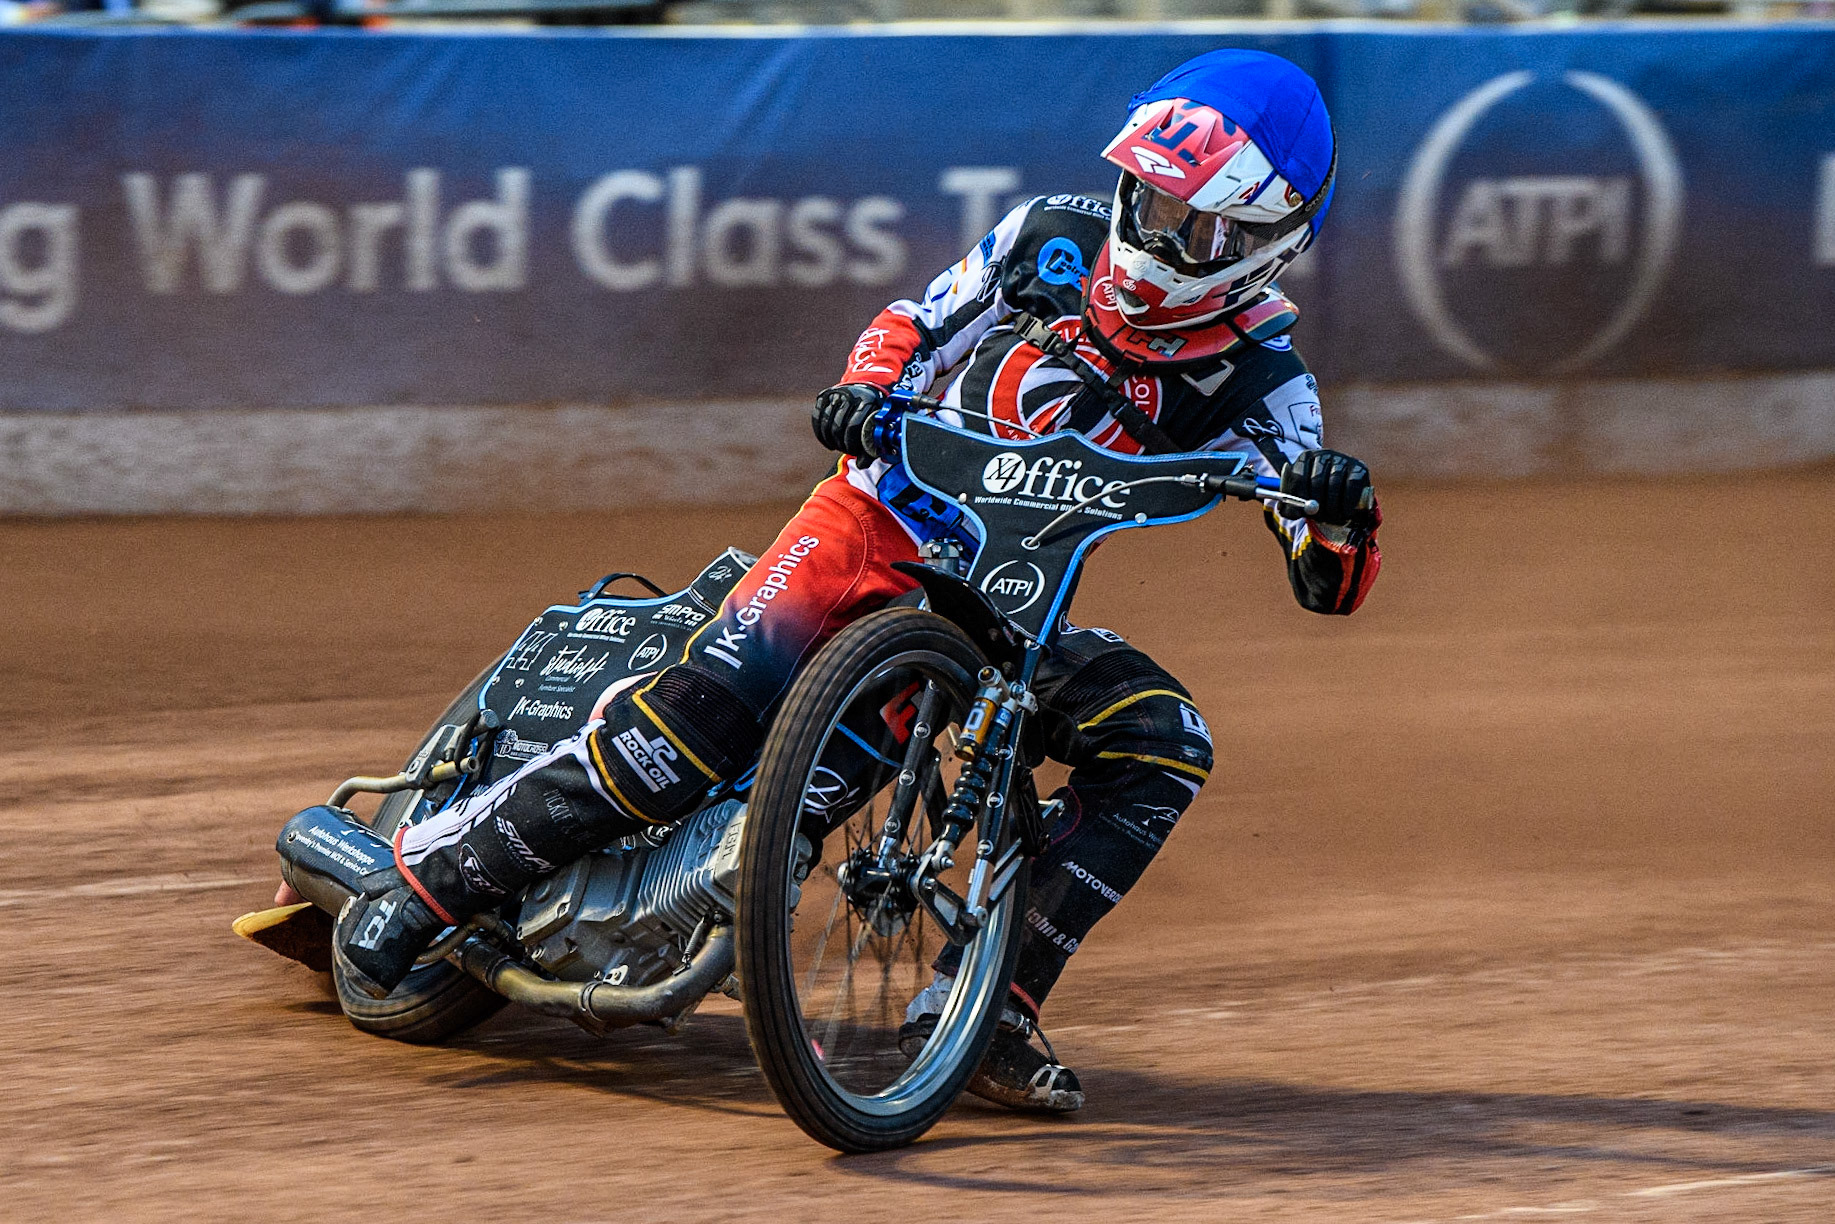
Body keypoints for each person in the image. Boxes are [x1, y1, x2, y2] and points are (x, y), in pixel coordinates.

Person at [325, 48, 1382, 1114]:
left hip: (1007, 609)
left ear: (1265, 244)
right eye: (1149, 198)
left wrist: (1339, 515)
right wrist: (865, 390)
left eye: (1192, 224)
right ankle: (425, 882)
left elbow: (1323, 580)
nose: (1154, 235)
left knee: (1162, 742)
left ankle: (990, 1006)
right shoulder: (1046, 235)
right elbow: (915, 323)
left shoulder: (1267, 383)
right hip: (874, 518)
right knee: (687, 726)